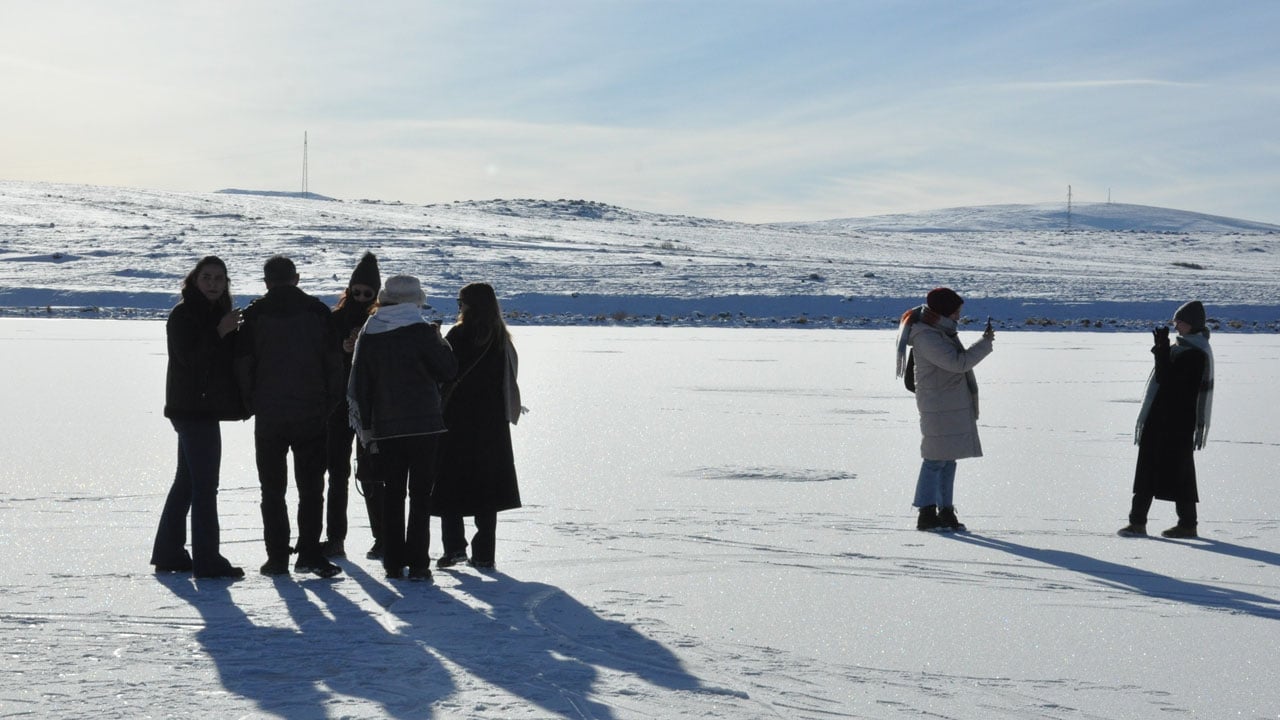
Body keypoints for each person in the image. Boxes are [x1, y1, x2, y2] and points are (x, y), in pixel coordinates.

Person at [235, 255, 344, 578]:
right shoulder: (317, 312)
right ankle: (309, 552)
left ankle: (277, 557)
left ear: (267, 281)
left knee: (272, 490)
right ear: (296, 278)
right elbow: (334, 364)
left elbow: (243, 363)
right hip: (311, 413)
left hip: (269, 415)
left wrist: (250, 402)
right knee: (311, 489)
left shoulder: (255, 314)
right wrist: (329, 404)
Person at [347, 275, 457, 581]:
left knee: (392, 495)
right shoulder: (422, 331)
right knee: (421, 495)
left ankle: (393, 562)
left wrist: (366, 427)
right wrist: (440, 340)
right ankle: (419, 563)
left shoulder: (370, 332)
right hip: (424, 426)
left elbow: (362, 385)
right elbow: (448, 370)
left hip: (385, 428)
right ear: (415, 300)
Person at [150, 256, 250, 579]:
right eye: (207, 277)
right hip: (191, 411)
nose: (213, 283)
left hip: (200, 409)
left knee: (188, 482)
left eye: (219, 278)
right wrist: (220, 332)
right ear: (194, 280)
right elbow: (190, 360)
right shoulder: (183, 314)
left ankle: (169, 552)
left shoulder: (216, 314)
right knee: (205, 486)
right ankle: (207, 560)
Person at [433, 282, 524, 570]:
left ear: (469, 305)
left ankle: (454, 548)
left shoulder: (458, 335)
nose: (459, 306)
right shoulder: (501, 338)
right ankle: (484, 553)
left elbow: (444, 371)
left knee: (450, 484)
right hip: (493, 424)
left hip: (456, 419)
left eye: (461, 302)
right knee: (487, 489)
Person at [895, 287, 994, 532]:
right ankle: (926, 513)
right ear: (944, 311)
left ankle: (945, 511)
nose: (959, 316)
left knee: (948, 460)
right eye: (956, 311)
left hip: (949, 404)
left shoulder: (940, 330)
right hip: (938, 405)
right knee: (934, 460)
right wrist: (985, 344)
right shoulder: (926, 335)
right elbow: (957, 363)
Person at [1119, 300, 1215, 539]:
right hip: (1165, 419)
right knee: (1160, 471)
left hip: (1175, 422)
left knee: (1173, 473)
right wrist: (1163, 349)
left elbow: (1169, 380)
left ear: (1191, 324)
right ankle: (1150, 522)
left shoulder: (1195, 353)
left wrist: (1161, 349)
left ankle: (1173, 524)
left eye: (1179, 321)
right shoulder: (1183, 347)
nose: (1175, 326)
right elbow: (1167, 378)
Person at [322, 251, 382, 561]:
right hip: (337, 407)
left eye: (366, 293)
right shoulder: (335, 319)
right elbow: (321, 359)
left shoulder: (381, 320)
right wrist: (342, 349)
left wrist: (363, 346)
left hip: (371, 408)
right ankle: (335, 538)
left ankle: (382, 536)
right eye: (355, 291)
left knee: (372, 473)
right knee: (337, 474)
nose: (359, 297)